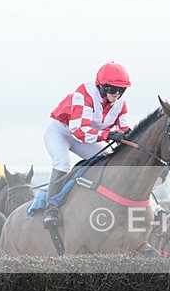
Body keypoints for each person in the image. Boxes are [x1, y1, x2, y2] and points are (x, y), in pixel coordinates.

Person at [43, 61, 132, 228]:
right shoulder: (84, 93)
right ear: (103, 87)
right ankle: (51, 207)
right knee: (62, 161)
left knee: (106, 160)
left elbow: (124, 129)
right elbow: (79, 131)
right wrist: (109, 134)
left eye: (122, 89)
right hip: (61, 132)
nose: (117, 93)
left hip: (86, 137)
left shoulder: (121, 105)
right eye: (113, 89)